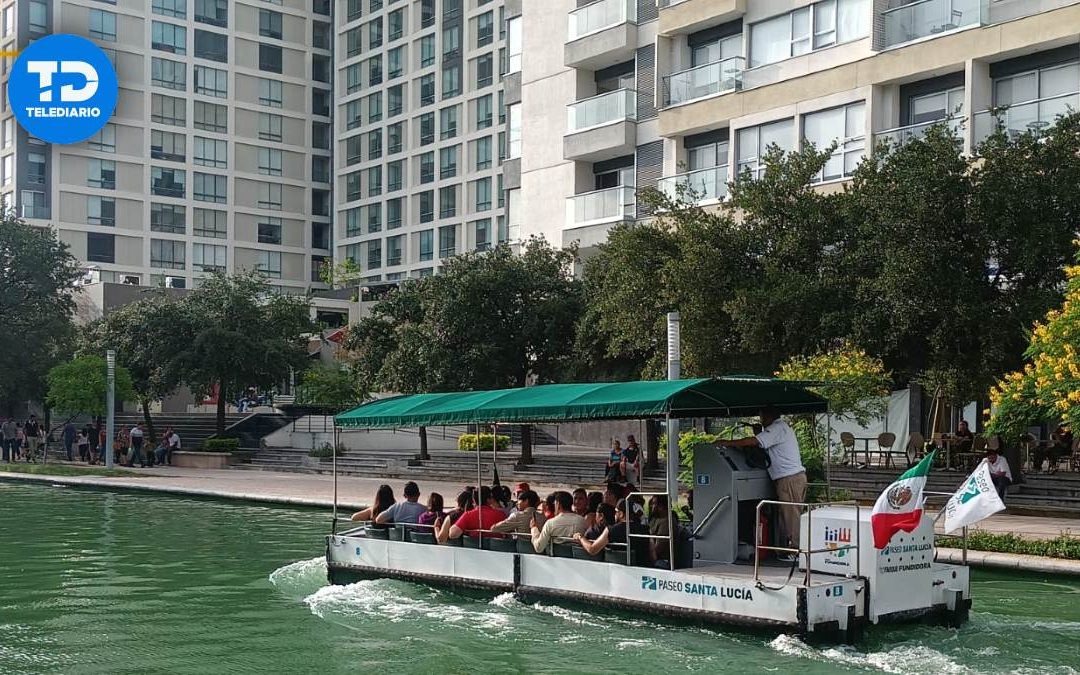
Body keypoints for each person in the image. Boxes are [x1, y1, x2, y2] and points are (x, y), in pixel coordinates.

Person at [717, 406, 806, 562]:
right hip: (789, 478)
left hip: (789, 479)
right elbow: (762, 445)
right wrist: (759, 432)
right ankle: (788, 549)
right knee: (786, 515)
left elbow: (754, 441)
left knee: (791, 516)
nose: (760, 419)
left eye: (761, 416)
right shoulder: (779, 429)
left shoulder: (777, 428)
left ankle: (797, 552)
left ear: (769, 416)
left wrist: (728, 443)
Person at [574, 499, 648, 560]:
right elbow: (652, 553)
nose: (614, 514)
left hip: (617, 568)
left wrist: (581, 537)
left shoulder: (611, 529)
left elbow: (592, 549)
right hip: (644, 569)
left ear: (621, 514)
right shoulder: (646, 529)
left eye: (616, 512)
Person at [440, 486, 507, 543]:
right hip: (498, 550)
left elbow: (453, 534)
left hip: (474, 550)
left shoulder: (468, 515)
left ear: (474, 500)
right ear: (489, 500)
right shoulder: (501, 515)